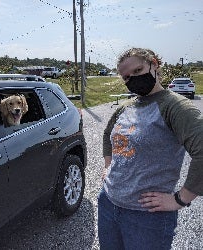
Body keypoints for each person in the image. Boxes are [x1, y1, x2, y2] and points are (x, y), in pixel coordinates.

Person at [98, 47, 203, 249]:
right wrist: (107, 167)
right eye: (127, 77)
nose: (133, 79)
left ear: (154, 64)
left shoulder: (174, 106)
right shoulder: (126, 106)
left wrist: (180, 199)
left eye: (137, 71)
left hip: (146, 218)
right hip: (108, 204)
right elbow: (107, 136)